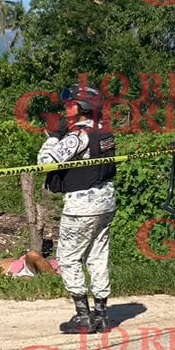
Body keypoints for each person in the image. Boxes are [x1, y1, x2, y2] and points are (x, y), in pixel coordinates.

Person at [38, 85, 118, 334]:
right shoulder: (104, 132)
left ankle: (83, 316)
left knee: (68, 258)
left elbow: (46, 163)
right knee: (97, 255)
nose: (65, 107)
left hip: (82, 204)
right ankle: (102, 315)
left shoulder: (77, 136)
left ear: (82, 107)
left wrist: (53, 137)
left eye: (69, 103)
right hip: (106, 200)